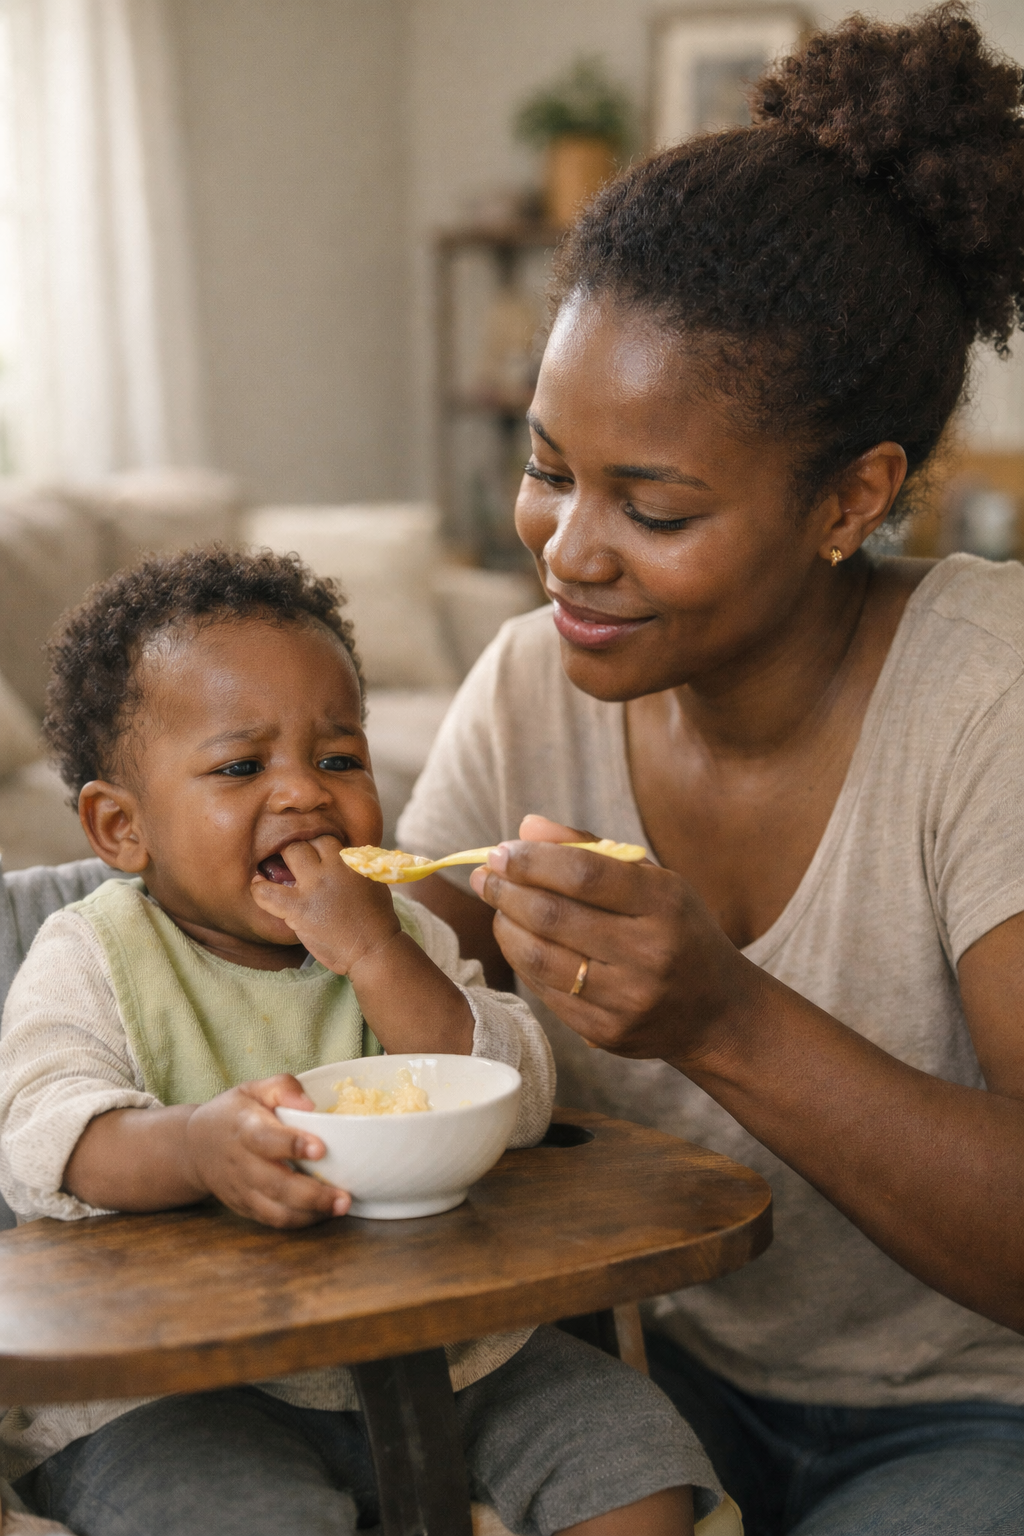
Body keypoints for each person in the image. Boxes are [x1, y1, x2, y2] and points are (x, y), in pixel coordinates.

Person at [396, 7, 1024, 1534]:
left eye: (655, 510)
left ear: (851, 499)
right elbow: (390, 1023)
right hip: (649, 1376)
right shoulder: (527, 688)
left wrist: (724, 1018)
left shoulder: (988, 698)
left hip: (975, 1408)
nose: (568, 550)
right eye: (548, 469)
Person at [0, 549, 722, 1536]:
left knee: (634, 1462)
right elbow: (43, 1138)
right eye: (242, 767)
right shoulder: (94, 954)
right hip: (179, 1390)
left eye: (339, 760)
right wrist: (194, 1147)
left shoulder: (399, 931)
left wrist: (378, 955)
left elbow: (517, 1099)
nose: (304, 794)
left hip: (446, 1346)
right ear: (121, 827)